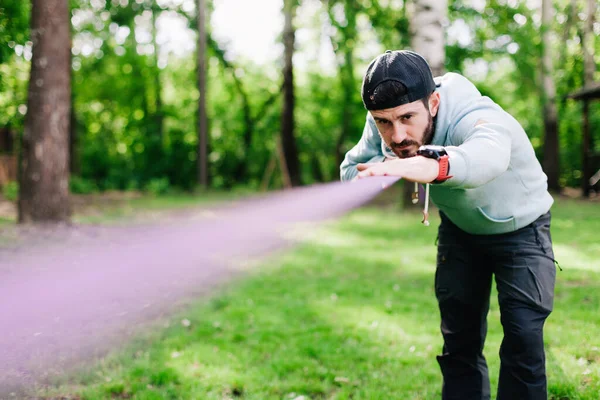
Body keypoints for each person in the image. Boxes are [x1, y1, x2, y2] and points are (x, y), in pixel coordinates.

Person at [340, 50, 557, 400]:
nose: (396, 136)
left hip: (522, 231)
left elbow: (490, 154)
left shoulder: (471, 112)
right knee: (458, 341)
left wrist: (435, 165)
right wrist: (379, 169)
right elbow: (352, 170)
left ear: (434, 102)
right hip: (460, 232)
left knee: (523, 342)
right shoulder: (383, 123)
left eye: (407, 117)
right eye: (383, 121)